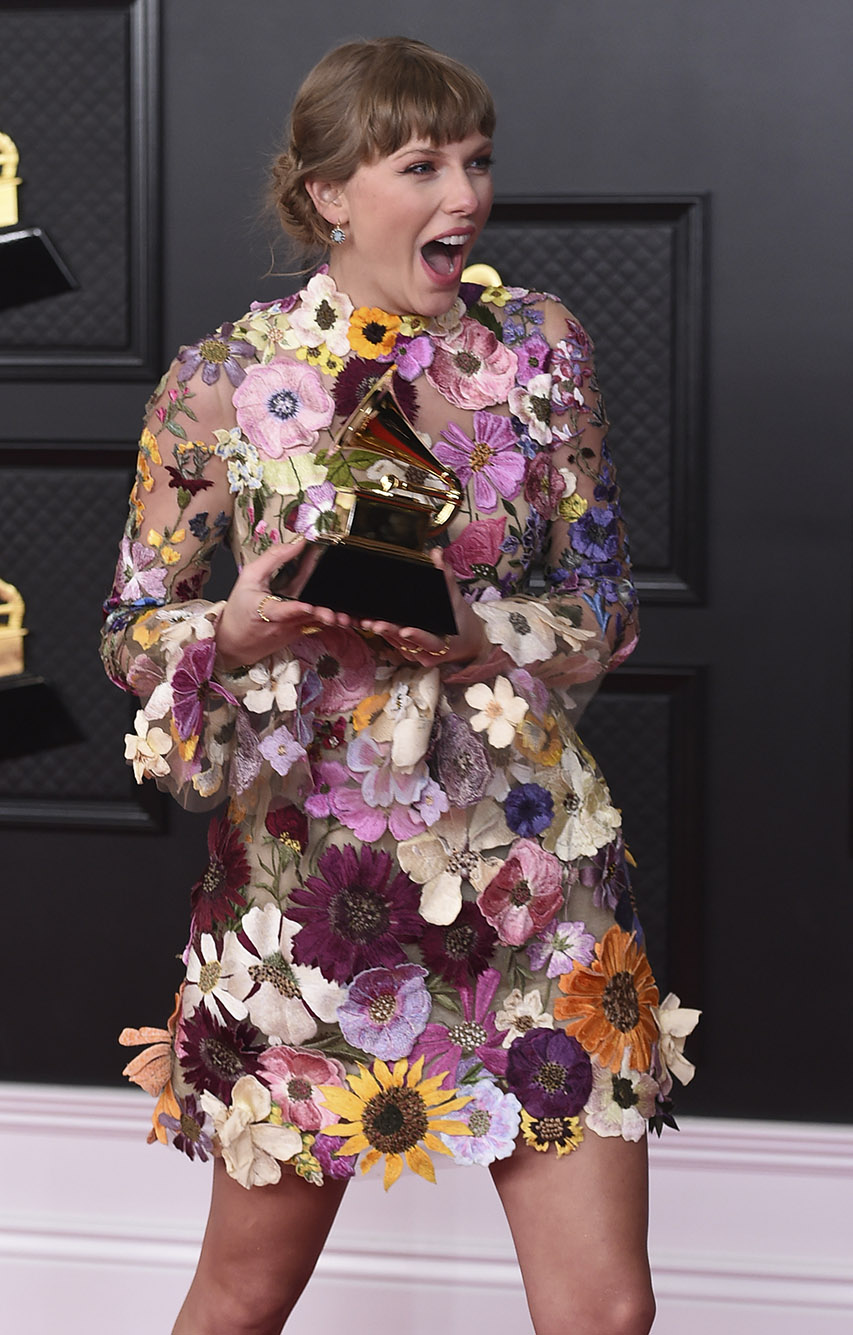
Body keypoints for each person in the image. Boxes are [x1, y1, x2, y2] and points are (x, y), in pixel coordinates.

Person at [102, 35, 698, 1335]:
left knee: (605, 1312)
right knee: (244, 1292)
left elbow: (604, 602)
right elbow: (131, 632)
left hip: (530, 876)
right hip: (314, 889)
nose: (464, 194)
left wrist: (491, 638)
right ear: (327, 191)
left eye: (475, 161)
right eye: (420, 164)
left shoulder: (539, 348)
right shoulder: (216, 386)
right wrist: (237, 626)